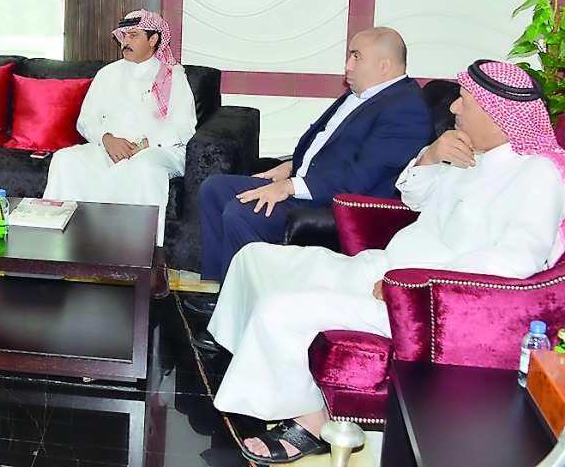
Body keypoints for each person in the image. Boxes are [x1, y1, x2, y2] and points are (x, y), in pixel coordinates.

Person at [208, 60, 565, 464]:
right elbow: (413, 198)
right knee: (255, 259)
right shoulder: (471, 153)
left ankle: (310, 422)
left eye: (465, 102)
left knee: (281, 309)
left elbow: (515, 261)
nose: (453, 110)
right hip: (380, 266)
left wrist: (415, 283)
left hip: (418, 301)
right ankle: (260, 369)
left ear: (499, 118)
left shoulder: (536, 176)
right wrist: (430, 157)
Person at [192, 27, 432, 308]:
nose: (347, 65)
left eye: (356, 57)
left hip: (341, 206)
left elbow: (358, 178)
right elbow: (332, 146)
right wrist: (290, 167)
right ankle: (223, 288)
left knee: (241, 212)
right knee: (214, 189)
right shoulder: (368, 93)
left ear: (384, 65)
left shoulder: (405, 109)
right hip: (313, 182)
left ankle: (243, 305)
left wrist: (289, 186)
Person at [43, 10, 196, 231]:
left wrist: (142, 145)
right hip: (110, 147)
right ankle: (65, 239)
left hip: (157, 151)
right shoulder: (107, 74)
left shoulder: (172, 77)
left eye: (133, 35)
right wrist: (106, 139)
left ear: (153, 39)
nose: (125, 41)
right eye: (124, 35)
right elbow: (86, 120)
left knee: (142, 168)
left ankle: (136, 250)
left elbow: (184, 127)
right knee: (65, 159)